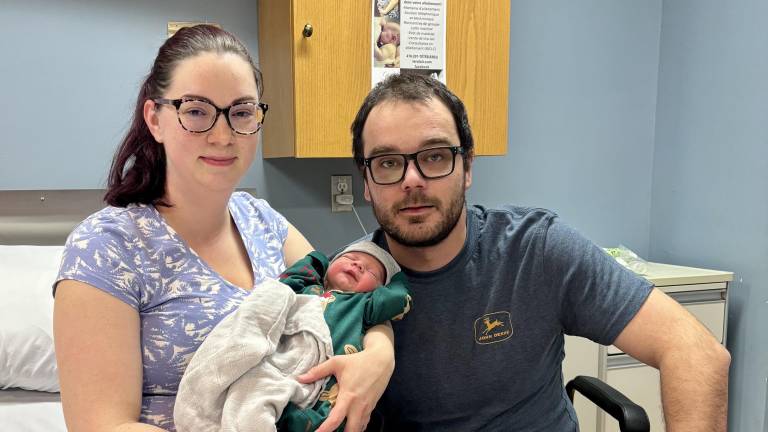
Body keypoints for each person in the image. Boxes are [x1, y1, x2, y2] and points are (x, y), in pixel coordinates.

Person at [52, 25, 393, 432]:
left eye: (242, 112)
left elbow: (345, 296)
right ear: (155, 119)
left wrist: (379, 354)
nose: (222, 134)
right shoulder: (107, 248)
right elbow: (100, 424)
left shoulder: (264, 223)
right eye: (196, 111)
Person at [349, 73, 731, 431]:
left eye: (434, 156)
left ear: (466, 167)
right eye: (387, 163)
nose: (412, 180)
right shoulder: (344, 287)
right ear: (366, 182)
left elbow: (697, 351)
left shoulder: (537, 249)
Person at [174, 241, 411, 431]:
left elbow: (398, 300)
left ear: (378, 289)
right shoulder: (307, 290)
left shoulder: (363, 305)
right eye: (351, 258)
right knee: (250, 405)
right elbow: (287, 282)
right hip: (278, 365)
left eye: (372, 271)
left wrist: (397, 276)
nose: (358, 265)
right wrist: (317, 261)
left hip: (318, 393)